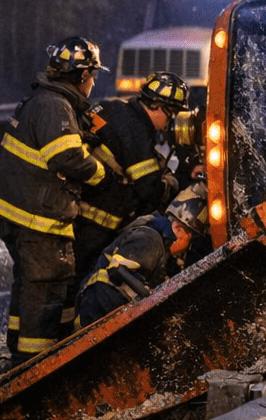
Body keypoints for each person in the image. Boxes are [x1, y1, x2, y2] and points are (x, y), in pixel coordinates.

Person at [0, 36, 109, 362]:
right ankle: (35, 366)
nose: (93, 83)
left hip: (21, 213)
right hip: (37, 218)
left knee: (30, 286)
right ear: (82, 75)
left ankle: (19, 355)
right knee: (47, 288)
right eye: (93, 75)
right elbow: (66, 157)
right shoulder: (55, 106)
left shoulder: (45, 99)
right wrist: (100, 173)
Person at [74, 71, 190, 279]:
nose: (171, 121)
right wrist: (177, 180)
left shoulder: (115, 108)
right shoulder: (135, 131)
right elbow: (151, 190)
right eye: (172, 113)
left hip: (73, 209)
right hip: (93, 222)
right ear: (157, 106)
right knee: (87, 280)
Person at [75, 181, 209, 329]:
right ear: (178, 228)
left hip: (102, 305)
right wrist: (151, 299)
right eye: (190, 239)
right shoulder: (150, 238)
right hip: (99, 305)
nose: (188, 247)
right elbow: (117, 270)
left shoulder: (157, 242)